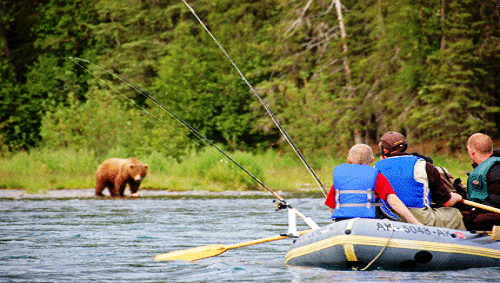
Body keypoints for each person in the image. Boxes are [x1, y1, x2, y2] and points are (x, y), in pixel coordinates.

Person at [374, 131, 466, 230]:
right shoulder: (424, 165)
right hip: (421, 218)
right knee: (454, 214)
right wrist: (458, 197)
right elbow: (446, 202)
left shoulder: (376, 167)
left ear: (385, 150)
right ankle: (464, 243)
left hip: (389, 217)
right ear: (405, 147)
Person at [324, 144, 422, 225]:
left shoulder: (341, 176)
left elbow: (331, 208)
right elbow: (393, 201)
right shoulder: (376, 176)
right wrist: (416, 223)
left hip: (342, 222)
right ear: (371, 160)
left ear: (349, 160)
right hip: (368, 222)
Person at [462, 133, 500, 231]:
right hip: (490, 209)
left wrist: (474, 213)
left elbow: (497, 200)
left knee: (470, 220)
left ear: (471, 152)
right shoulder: (489, 168)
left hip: (496, 212)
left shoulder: (496, 168)